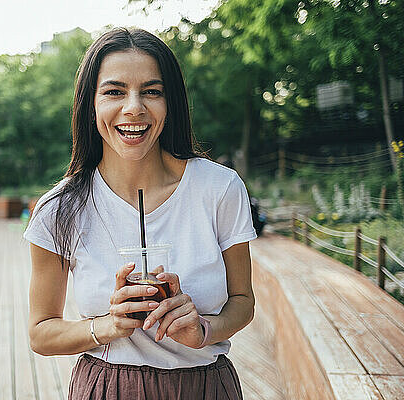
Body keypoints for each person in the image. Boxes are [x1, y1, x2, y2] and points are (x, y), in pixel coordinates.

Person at [24, 28, 256, 400]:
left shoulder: (219, 188)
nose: (134, 107)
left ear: (171, 103)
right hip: (107, 388)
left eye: (152, 91)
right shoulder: (59, 209)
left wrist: (205, 330)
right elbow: (41, 333)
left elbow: (243, 301)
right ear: (91, 103)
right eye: (115, 92)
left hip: (205, 387)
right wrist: (108, 325)